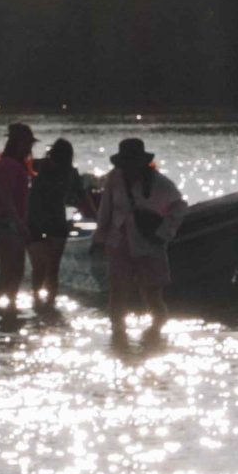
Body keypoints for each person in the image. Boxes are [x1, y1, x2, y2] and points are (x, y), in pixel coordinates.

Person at [94, 137, 185, 334]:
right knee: (118, 293)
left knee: (152, 294)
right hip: (118, 242)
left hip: (150, 244)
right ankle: (118, 337)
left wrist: (164, 234)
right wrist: (99, 239)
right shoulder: (114, 178)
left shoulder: (160, 183)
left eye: (131, 162)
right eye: (125, 162)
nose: (128, 167)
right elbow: (105, 210)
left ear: (141, 162)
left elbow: (179, 207)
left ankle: (155, 336)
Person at [26, 138, 94, 304]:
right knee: (50, 268)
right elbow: (82, 198)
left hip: (38, 220)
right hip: (50, 221)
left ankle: (41, 301)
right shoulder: (53, 168)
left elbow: (82, 196)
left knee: (41, 267)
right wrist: (96, 216)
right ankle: (46, 301)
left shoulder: (44, 166)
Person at [0, 122, 37, 309]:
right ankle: (3, 310)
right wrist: (19, 223)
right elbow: (6, 197)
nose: (30, 147)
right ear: (18, 143)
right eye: (28, 143)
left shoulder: (10, 164)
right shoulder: (9, 165)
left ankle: (7, 310)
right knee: (10, 272)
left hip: (5, 224)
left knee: (12, 271)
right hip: (6, 225)